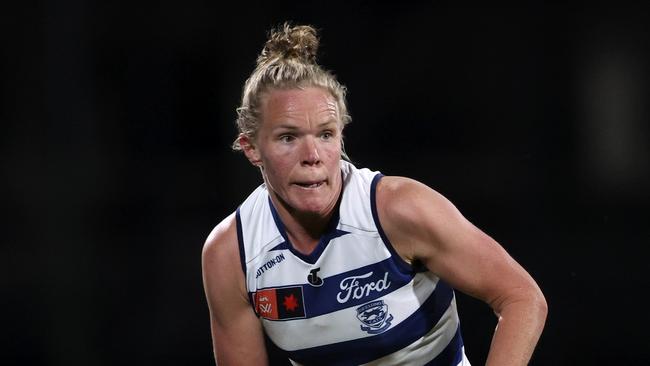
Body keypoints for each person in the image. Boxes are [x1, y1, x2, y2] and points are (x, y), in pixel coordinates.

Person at [202, 22, 547, 366]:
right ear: (251, 148)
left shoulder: (399, 210)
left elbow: (521, 298)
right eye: (288, 138)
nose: (312, 156)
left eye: (325, 134)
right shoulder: (232, 253)